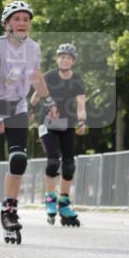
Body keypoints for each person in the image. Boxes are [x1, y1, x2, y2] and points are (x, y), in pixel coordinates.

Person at [0, 1, 57, 244]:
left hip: (16, 109)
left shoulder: (33, 48)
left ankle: (9, 211)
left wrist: (49, 101)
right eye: (17, 19)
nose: (22, 23)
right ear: (7, 24)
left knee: (18, 159)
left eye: (26, 19)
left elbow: (36, 76)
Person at [29, 43, 86, 227]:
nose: (64, 60)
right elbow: (36, 96)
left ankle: (64, 202)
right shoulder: (49, 76)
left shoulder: (77, 80)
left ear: (73, 61)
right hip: (47, 123)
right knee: (53, 161)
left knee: (69, 165)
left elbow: (81, 105)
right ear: (57, 59)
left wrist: (82, 121)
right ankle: (50, 199)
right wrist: (30, 110)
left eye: (68, 57)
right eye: (62, 57)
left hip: (67, 124)